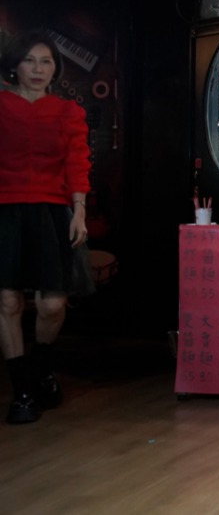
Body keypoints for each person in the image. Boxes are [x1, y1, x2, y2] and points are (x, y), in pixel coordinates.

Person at [0, 32, 90, 424]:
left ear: (55, 68)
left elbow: (77, 162)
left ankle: (41, 371)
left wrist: (79, 211)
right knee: (8, 302)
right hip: (5, 210)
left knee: (52, 304)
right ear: (14, 66)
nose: (38, 69)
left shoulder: (67, 111)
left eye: (46, 61)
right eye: (30, 61)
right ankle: (22, 391)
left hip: (52, 211)